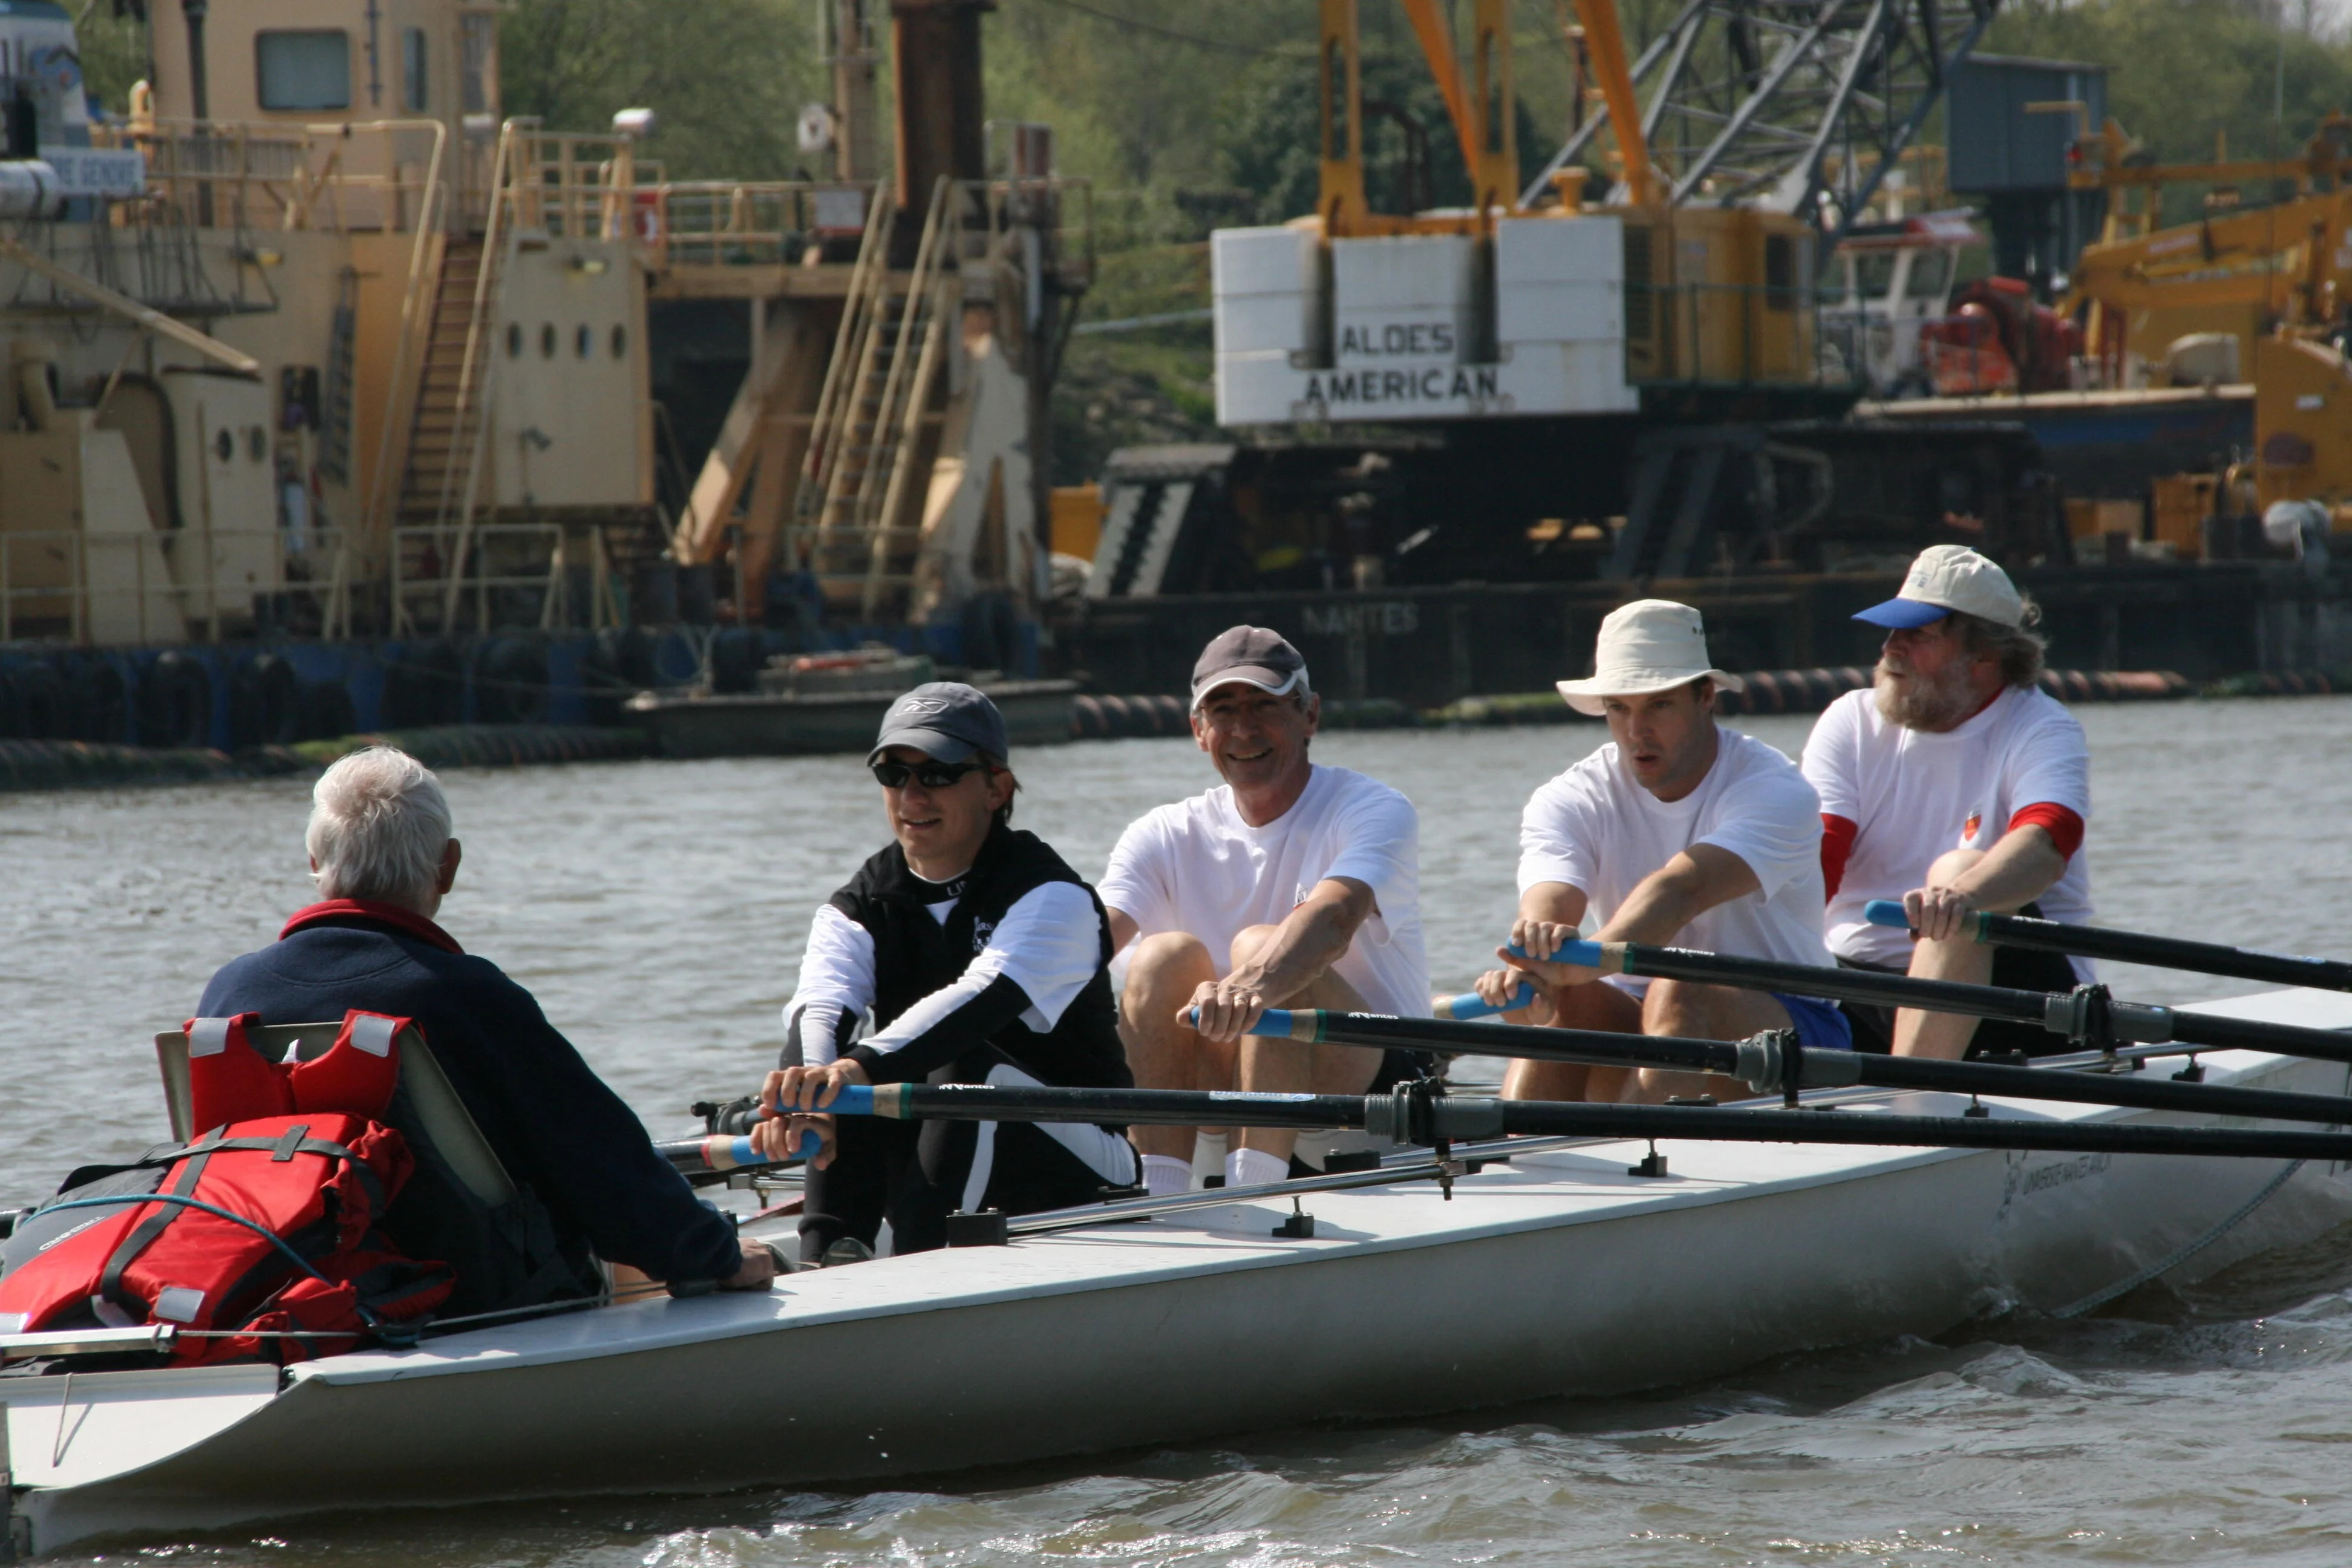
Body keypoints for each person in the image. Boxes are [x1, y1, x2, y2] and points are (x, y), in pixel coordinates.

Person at [198, 748, 773, 1310]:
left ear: (314, 862)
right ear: (448, 866)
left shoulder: (229, 994)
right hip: (472, 1304)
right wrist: (717, 1256)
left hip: (277, 1292)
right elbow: (602, 1167)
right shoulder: (465, 995)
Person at [755, 683, 1138, 1264]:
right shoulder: (860, 903)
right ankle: (830, 1257)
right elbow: (822, 1004)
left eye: (938, 773)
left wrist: (848, 1072)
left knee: (953, 1067)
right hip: (938, 1144)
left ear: (996, 788)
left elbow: (979, 1000)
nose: (912, 793)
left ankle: (916, 1263)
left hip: (1085, 1161)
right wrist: (807, 1094)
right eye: (893, 773)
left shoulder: (1051, 895)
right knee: (835, 1075)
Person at [1474, 600, 1850, 1104]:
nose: (1636, 732)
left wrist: (1573, 966)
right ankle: (1516, 1155)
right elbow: (1550, 904)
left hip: (1796, 1025)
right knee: (1565, 996)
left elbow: (1680, 891)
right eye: (1619, 708)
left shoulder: (1775, 790)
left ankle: (1635, 1154)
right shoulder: (1568, 797)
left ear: (1705, 697)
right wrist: (1535, 973)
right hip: (1643, 1014)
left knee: (1679, 981)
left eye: (1659, 705)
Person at [1098, 626, 1429, 1197]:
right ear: (1199, 732)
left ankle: (1254, 1195)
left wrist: (1244, 987)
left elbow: (1332, 921)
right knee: (1160, 958)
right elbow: (1088, 943)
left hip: (1369, 1085)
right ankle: (1159, 1196)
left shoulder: (1373, 808)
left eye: (1265, 707)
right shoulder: (1160, 833)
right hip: (1219, 1083)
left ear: (1311, 716)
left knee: (1261, 945)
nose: (1244, 731)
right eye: (1224, 711)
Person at [1800, 544, 2091, 1060]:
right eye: (1892, 631)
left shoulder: (2041, 727)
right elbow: (1819, 854)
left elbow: (2046, 843)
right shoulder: (1850, 720)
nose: (1892, 647)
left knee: (1958, 869)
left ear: (1985, 656)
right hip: (1857, 988)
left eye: (1918, 635)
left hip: (2016, 994)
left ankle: (1913, 1107)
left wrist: (1961, 896)